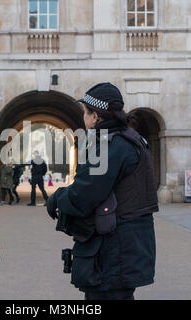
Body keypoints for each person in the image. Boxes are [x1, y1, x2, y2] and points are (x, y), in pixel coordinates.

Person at [46, 83, 158, 300]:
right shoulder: (130, 139)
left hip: (113, 252)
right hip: (126, 247)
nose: (83, 119)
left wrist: (58, 198)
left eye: (85, 113)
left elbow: (85, 194)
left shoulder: (110, 145)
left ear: (95, 116)